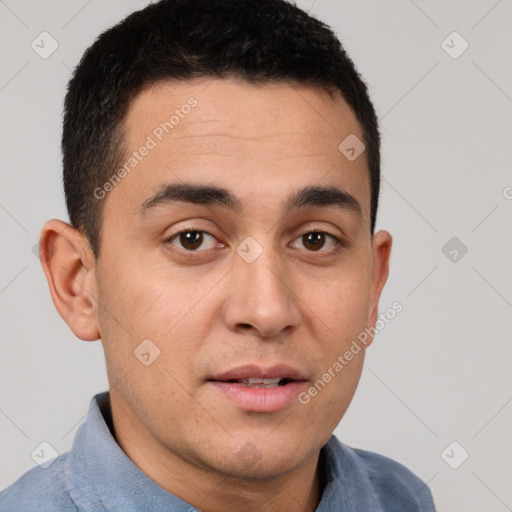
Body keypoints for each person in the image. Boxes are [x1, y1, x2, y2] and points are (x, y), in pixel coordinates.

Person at [0, 0, 436, 510]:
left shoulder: (405, 499)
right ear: (78, 281)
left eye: (315, 239)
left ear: (373, 281)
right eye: (192, 239)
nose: (267, 310)